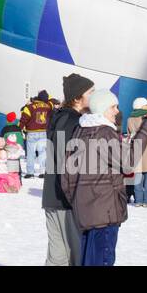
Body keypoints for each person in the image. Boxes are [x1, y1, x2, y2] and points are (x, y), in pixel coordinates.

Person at [62, 89, 147, 266]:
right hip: (104, 212)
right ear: (102, 108)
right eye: (114, 107)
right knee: (102, 260)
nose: (117, 111)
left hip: (87, 213)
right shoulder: (104, 132)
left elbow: (66, 177)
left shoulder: (80, 131)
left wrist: (77, 201)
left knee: (88, 260)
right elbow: (129, 161)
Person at [43, 73, 92, 266]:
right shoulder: (72, 121)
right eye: (91, 92)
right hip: (65, 199)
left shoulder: (59, 117)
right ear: (77, 98)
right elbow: (68, 161)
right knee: (75, 255)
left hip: (53, 195)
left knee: (58, 258)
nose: (94, 96)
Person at [20, 90, 53, 178]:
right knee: (43, 153)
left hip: (32, 132)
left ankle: (30, 172)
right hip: (43, 132)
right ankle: (42, 171)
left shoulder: (29, 107)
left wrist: (19, 128)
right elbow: (52, 101)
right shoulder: (49, 106)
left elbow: (24, 119)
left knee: (30, 153)